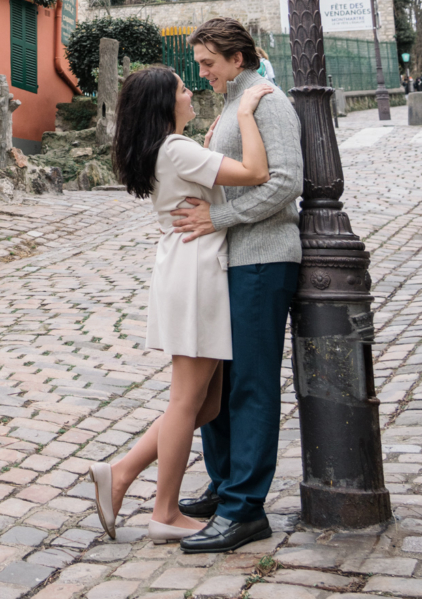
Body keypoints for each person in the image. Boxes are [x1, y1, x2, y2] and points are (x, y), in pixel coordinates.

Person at [89, 64, 272, 544]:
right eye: (184, 89)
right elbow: (256, 172)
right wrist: (248, 112)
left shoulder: (168, 150)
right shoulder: (177, 149)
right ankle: (164, 512)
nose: (192, 93)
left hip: (186, 268)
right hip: (195, 274)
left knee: (203, 405)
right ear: (166, 105)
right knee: (187, 401)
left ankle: (122, 473)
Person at [169, 18, 303, 554]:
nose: (201, 74)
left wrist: (219, 220)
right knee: (217, 385)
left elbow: (287, 181)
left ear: (238, 59)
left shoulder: (267, 100)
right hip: (230, 263)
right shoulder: (233, 103)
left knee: (250, 384)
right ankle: (225, 485)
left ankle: (246, 508)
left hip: (263, 260)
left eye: (208, 64)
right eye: (198, 64)